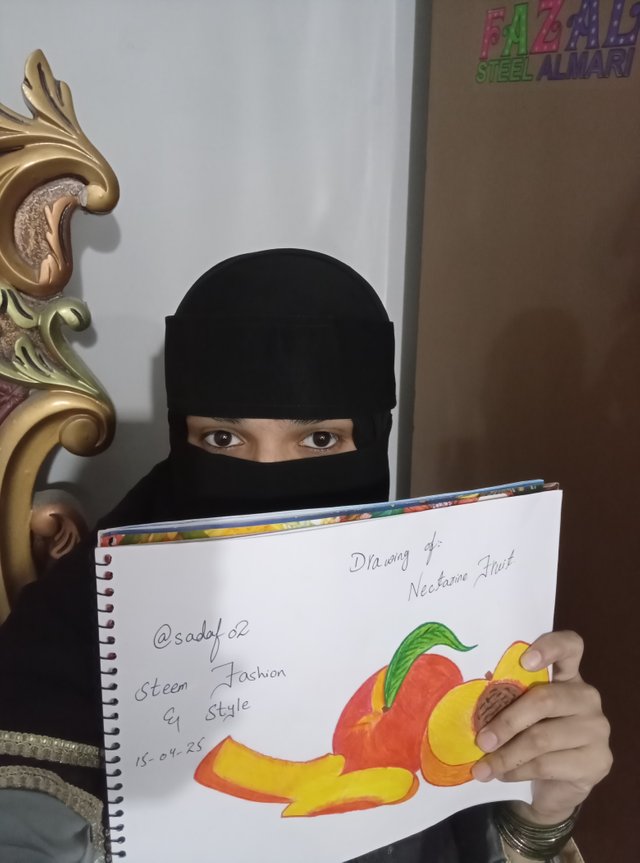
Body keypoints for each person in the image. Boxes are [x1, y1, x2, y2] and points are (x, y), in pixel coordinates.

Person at [0, 249, 611, 862]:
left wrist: (540, 814)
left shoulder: (448, 611)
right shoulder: (72, 633)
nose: (269, 487)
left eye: (319, 439)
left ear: (374, 439)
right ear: (179, 437)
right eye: (223, 438)